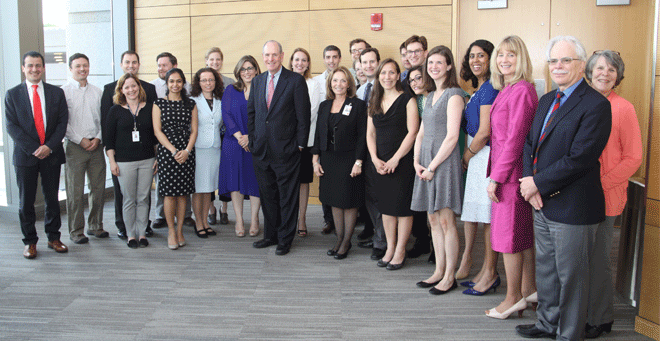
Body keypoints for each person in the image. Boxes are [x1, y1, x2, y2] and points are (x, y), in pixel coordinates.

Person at [516, 36, 612, 340]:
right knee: (546, 270)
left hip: (574, 206)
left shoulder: (596, 104)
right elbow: (530, 144)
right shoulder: (547, 100)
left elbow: (580, 159)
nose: (558, 66)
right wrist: (531, 185)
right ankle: (547, 323)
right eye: (553, 61)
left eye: (565, 60)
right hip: (542, 202)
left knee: (573, 277)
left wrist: (536, 183)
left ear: (581, 65)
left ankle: (569, 333)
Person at [583, 50, 643, 338]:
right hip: (578, 196)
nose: (604, 73)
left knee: (598, 261)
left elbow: (633, 158)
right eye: (599, 68)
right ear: (589, 71)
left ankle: (601, 318)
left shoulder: (624, 108)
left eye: (610, 69)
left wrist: (603, 183)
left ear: (618, 76)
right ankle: (581, 313)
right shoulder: (581, 102)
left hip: (606, 196)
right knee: (579, 260)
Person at [484, 36, 538, 319]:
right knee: (520, 236)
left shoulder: (523, 91)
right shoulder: (508, 89)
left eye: (511, 55)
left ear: (522, 59)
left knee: (508, 239)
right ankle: (529, 290)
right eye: (501, 55)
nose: (504, 60)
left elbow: (515, 139)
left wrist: (496, 177)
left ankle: (513, 297)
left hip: (511, 174)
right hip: (509, 172)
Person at [248, 40, 311, 256]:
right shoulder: (257, 82)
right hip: (261, 152)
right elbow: (252, 115)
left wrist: (300, 145)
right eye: (267, 55)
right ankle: (270, 235)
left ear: (282, 56)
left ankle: (285, 239)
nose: (270, 59)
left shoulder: (295, 81)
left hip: (287, 151)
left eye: (274, 55)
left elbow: (304, 116)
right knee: (267, 195)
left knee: (287, 197)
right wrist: (254, 141)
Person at [5, 51, 69, 259]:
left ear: (43, 67)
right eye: (30, 66)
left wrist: (49, 146)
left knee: (52, 199)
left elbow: (62, 123)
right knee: (26, 202)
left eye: (38, 65)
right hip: (26, 156)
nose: (34, 69)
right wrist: (35, 148)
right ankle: (30, 242)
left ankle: (54, 237)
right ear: (23, 68)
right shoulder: (12, 94)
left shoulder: (56, 93)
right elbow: (12, 127)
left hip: (51, 153)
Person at [410, 46, 464, 293]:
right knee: (432, 219)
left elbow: (452, 137)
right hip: (425, 163)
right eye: (430, 63)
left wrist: (431, 166)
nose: (433, 67)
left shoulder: (454, 95)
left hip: (442, 163)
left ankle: (449, 275)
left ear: (449, 66)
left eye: (439, 63)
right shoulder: (427, 95)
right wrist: (415, 161)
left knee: (445, 220)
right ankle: (438, 270)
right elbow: (420, 132)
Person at [456, 40, 500, 291]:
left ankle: (490, 271)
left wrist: (467, 156)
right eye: (471, 56)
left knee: (487, 216)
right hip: (476, 154)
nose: (475, 60)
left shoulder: (491, 89)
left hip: (482, 154)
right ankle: (481, 267)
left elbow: (484, 132)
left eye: (481, 56)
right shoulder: (479, 88)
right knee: (476, 212)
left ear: (490, 59)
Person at [367, 58, 419, 270]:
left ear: (398, 76)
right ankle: (390, 247)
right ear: (378, 77)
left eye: (391, 73)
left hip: (402, 162)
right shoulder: (374, 100)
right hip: (380, 163)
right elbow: (370, 133)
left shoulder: (408, 100)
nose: (387, 77)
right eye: (383, 73)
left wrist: (396, 158)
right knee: (387, 208)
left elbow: (413, 132)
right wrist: (374, 158)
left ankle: (400, 250)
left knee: (403, 209)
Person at [101, 50, 157, 239]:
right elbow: (108, 134)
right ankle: (127, 230)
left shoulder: (149, 99)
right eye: (127, 62)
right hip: (123, 159)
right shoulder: (113, 104)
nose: (131, 89)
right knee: (126, 197)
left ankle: (142, 231)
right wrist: (112, 160)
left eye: (134, 62)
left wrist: (157, 156)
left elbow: (155, 130)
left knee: (143, 197)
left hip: (146, 157)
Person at [312, 66, 367, 259]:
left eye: (343, 80)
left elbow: (362, 137)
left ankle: (346, 243)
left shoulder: (358, 105)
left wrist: (359, 162)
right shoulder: (325, 106)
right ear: (330, 83)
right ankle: (339, 239)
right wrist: (315, 160)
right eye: (335, 80)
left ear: (349, 83)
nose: (339, 84)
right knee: (335, 201)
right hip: (329, 159)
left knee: (349, 202)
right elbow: (319, 134)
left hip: (349, 158)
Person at [61, 53, 108, 244]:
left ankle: (95, 226)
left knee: (98, 189)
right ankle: (76, 231)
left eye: (85, 66)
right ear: (70, 68)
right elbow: (62, 122)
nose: (82, 69)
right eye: (78, 66)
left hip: (96, 145)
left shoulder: (97, 92)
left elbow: (103, 119)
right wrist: (79, 139)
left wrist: (98, 137)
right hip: (75, 147)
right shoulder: (63, 92)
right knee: (75, 191)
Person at [153, 68, 199, 250]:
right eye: (171, 81)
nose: (175, 84)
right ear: (166, 83)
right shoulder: (159, 104)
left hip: (186, 152)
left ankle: (180, 230)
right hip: (167, 152)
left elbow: (194, 130)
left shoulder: (191, 104)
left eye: (179, 81)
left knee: (182, 194)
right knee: (169, 194)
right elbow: (157, 131)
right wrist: (173, 150)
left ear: (183, 83)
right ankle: (171, 231)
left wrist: (187, 150)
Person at [218, 56, 262, 237]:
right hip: (233, 142)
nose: (247, 72)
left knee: (254, 182)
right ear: (238, 72)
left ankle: (254, 219)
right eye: (243, 69)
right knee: (234, 182)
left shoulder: (263, 90)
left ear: (257, 70)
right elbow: (226, 115)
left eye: (250, 68)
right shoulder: (230, 90)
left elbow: (266, 117)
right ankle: (239, 220)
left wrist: (250, 138)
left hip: (256, 143)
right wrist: (240, 137)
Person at [356, 47, 386, 261]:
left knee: (381, 198)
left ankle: (382, 242)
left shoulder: (386, 87)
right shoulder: (360, 90)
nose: (368, 66)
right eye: (364, 62)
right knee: (370, 198)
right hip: (364, 151)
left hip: (381, 150)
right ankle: (378, 234)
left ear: (379, 62)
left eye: (372, 62)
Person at [289, 48, 322, 237]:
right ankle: (288, 219)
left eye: (304, 60)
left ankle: (301, 219)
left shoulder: (313, 83)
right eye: (296, 59)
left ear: (308, 63)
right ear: (291, 62)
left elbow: (310, 112)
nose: (300, 63)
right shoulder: (283, 81)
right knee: (287, 182)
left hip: (304, 140)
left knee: (302, 182)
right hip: (284, 141)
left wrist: (290, 129)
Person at [190, 67, 224, 238]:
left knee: (209, 188)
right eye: (204, 80)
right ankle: (199, 223)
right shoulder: (192, 100)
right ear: (198, 82)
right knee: (199, 188)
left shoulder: (220, 99)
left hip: (214, 148)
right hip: (199, 149)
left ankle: (205, 220)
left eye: (211, 80)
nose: (208, 83)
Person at [205, 46, 236, 225]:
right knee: (208, 174)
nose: (215, 62)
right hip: (207, 135)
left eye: (218, 59)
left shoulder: (229, 82)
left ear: (222, 62)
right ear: (207, 61)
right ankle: (211, 209)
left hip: (227, 134)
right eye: (212, 59)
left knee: (225, 173)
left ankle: (224, 209)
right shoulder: (202, 81)